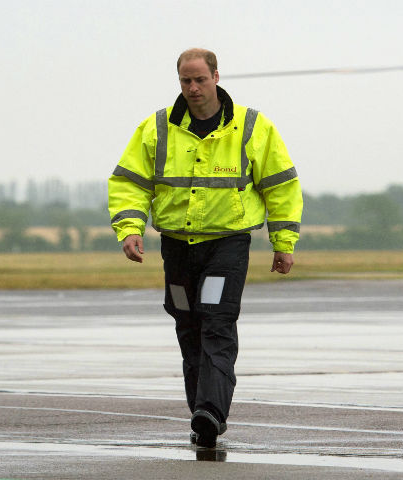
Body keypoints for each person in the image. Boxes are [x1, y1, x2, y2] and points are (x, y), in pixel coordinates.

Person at [108, 48, 302, 448]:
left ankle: (211, 412)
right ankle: (201, 413)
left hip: (226, 246)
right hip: (177, 248)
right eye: (185, 81)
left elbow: (281, 185)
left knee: (216, 321)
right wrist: (130, 228)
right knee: (188, 324)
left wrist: (284, 242)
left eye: (199, 79)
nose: (193, 88)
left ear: (216, 76)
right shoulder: (156, 128)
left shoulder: (252, 126)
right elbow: (129, 182)